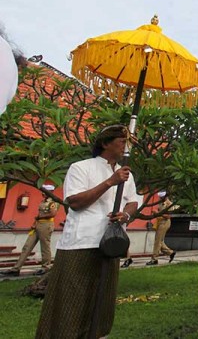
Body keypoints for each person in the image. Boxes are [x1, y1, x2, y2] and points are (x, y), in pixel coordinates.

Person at [35, 125, 141, 339]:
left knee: (102, 300)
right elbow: (75, 202)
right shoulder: (81, 167)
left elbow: (133, 201)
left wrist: (125, 216)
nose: (125, 146)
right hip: (81, 244)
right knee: (71, 300)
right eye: (121, 140)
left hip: (110, 242)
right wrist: (111, 182)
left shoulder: (126, 174)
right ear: (105, 143)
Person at [1, 185, 59, 276]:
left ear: (50, 192)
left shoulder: (53, 203)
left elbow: (53, 214)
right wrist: (34, 222)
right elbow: (39, 214)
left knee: (45, 246)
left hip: (46, 225)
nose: (42, 193)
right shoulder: (42, 202)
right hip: (38, 224)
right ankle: (16, 268)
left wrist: (40, 217)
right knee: (27, 246)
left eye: (44, 191)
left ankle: (45, 267)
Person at [146, 191, 176, 265]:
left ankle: (154, 259)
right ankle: (170, 253)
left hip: (165, 222)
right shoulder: (160, 202)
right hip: (159, 222)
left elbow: (168, 216)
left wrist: (158, 213)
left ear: (165, 196)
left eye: (161, 197)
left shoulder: (169, 204)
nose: (160, 198)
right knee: (159, 240)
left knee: (157, 241)